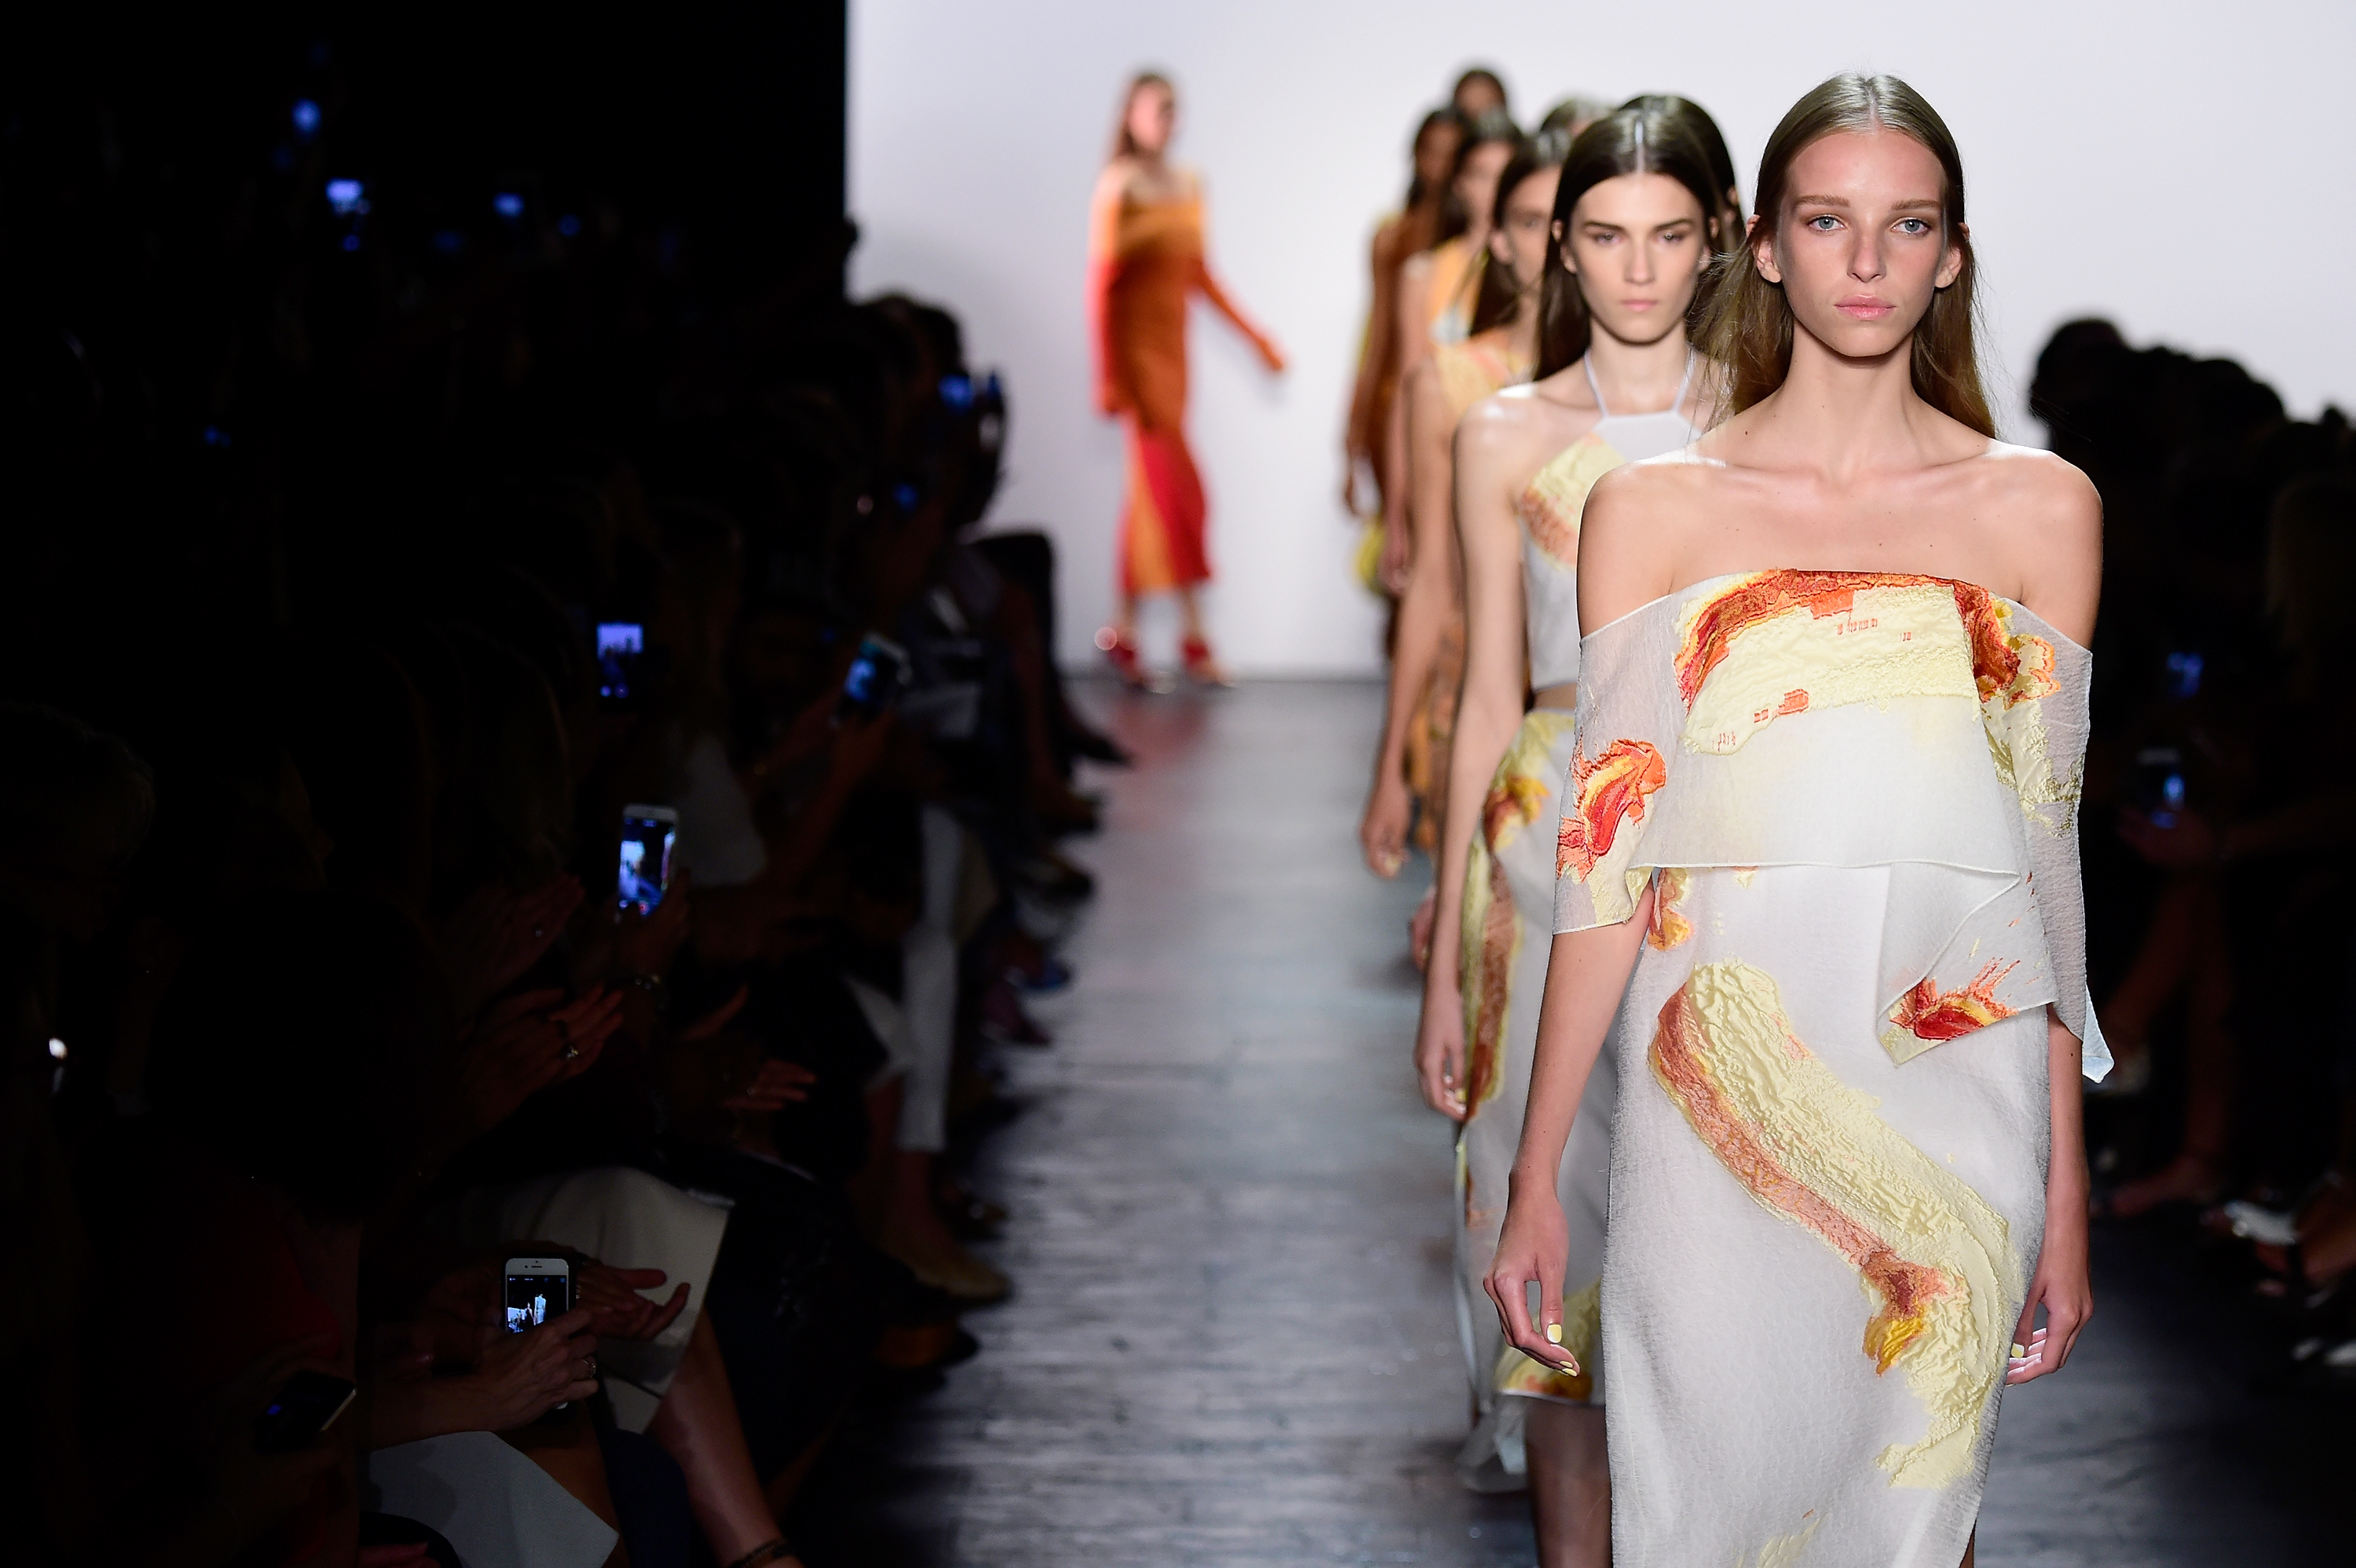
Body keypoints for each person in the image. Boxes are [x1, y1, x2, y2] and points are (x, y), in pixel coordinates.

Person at [1486, 75, 2109, 1566]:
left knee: (1914, 1505)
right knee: (1704, 1510)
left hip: (1953, 1084)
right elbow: (1607, 858)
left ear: (1953, 254)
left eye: (1910, 226)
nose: (1869, 261)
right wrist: (1538, 1166)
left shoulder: (2043, 511)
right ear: (1764, 245)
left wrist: (2067, 1182)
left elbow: (2045, 859)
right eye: (1829, 222)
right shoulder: (1654, 512)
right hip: (1712, 1090)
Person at [1411, 101, 1732, 1557]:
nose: (1639, 268)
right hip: (1543, 834)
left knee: (1716, 1223)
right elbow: (1486, 690)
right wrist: (1442, 964)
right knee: (1560, 1234)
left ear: (1719, 240)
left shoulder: (1761, 429)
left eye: (1668, 234)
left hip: (1722, 834)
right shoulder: (1503, 432)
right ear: (1561, 248)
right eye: (1606, 235)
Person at [1361, 133, 1556, 881]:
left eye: (1569, 221)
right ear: (1498, 238)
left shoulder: (1645, 390)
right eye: (1532, 221)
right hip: (1470, 692)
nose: (1552, 243)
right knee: (1474, 925)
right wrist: (1390, 767)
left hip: (1598, 714)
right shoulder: (1447, 382)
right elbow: (1434, 583)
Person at [1088, 71, 1286, 690]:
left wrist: (1256, 338)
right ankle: (1193, 638)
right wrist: (1109, 379)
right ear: (1131, 115)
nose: (1167, 121)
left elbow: (1202, 276)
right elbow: (1102, 289)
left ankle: (1125, 634)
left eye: (1174, 110)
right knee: (1176, 495)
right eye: (1158, 109)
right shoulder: (1118, 186)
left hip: (1175, 364)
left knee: (1150, 500)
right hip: (1139, 367)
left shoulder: (1190, 184)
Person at [1381, 111, 1524, 590]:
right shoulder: (1424, 273)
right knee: (1439, 592)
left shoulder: (1541, 274)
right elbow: (1408, 393)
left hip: (1516, 468)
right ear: (1460, 183)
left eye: (1504, 174)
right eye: (1480, 174)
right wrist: (1395, 512)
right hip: (1441, 465)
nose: (1492, 190)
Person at [1344, 108, 1465, 524]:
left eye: (1451, 154)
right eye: (1431, 151)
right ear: (1415, 156)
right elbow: (1377, 336)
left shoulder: (1477, 246)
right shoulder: (1393, 237)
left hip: (1459, 410)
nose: (1440, 165)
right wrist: (1353, 434)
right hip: (1392, 404)